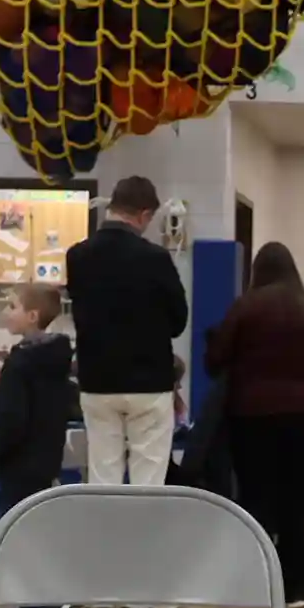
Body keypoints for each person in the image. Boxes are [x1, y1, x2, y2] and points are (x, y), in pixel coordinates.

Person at [205, 241, 304, 599]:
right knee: (294, 494)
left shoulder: (247, 306)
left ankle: (256, 579)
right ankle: (294, 581)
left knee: (255, 494)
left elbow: (216, 359)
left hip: (251, 411)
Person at [69, 175, 186, 487]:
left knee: (103, 472)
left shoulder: (77, 256)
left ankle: (105, 534)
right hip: (149, 382)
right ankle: (144, 534)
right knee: (148, 476)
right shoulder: (155, 258)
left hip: (96, 380)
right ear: (144, 214)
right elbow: (178, 321)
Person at [0, 280, 79, 608]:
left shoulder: (23, 363)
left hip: (21, 459)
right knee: (28, 530)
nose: (5, 312)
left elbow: (12, 416)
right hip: (43, 453)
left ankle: (46, 601)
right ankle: (32, 603)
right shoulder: (52, 359)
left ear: (32, 316)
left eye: (11, 306)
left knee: (23, 533)